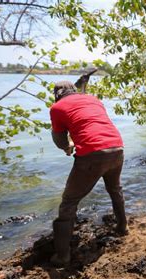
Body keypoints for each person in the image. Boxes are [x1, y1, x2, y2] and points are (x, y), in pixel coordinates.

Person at [49, 81, 127, 267]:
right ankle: (123, 227)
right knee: (115, 188)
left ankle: (62, 255)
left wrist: (67, 147)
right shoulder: (93, 99)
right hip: (117, 148)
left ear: (57, 95)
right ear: (74, 91)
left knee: (69, 202)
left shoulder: (57, 108)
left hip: (92, 155)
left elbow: (59, 138)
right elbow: (92, 123)